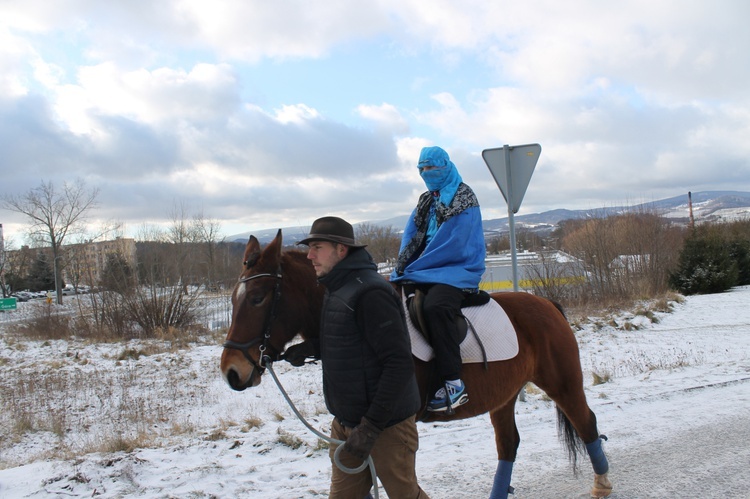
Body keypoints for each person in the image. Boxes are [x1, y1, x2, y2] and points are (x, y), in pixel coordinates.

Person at [286, 216, 429, 499]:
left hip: (386, 428)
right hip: (346, 424)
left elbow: (399, 364)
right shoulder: (336, 287)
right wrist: (311, 348)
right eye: (309, 247)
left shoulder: (371, 292)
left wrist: (371, 428)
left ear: (342, 250)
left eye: (317, 247)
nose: (309, 255)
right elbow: (353, 341)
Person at [390, 146, 486, 412]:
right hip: (426, 267)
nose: (426, 173)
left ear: (445, 165)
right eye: (422, 168)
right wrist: (404, 265)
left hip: (458, 268)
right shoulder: (426, 200)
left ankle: (454, 384)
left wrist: (420, 267)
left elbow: (456, 242)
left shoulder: (464, 197)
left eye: (431, 167)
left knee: (436, 307)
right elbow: (411, 235)